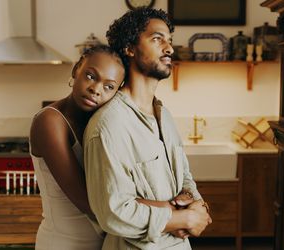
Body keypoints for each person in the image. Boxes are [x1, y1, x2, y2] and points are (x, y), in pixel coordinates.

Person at [83, 7, 212, 250]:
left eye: (169, 41)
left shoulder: (164, 115)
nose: (169, 48)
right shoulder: (109, 125)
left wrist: (199, 207)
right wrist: (180, 218)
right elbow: (114, 212)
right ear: (129, 48)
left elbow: (185, 177)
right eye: (157, 39)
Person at [29, 45, 125, 250]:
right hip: (62, 244)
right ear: (76, 70)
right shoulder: (50, 121)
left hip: (102, 244)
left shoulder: (100, 124)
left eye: (109, 86)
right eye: (91, 76)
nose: (96, 89)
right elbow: (90, 203)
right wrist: (167, 215)